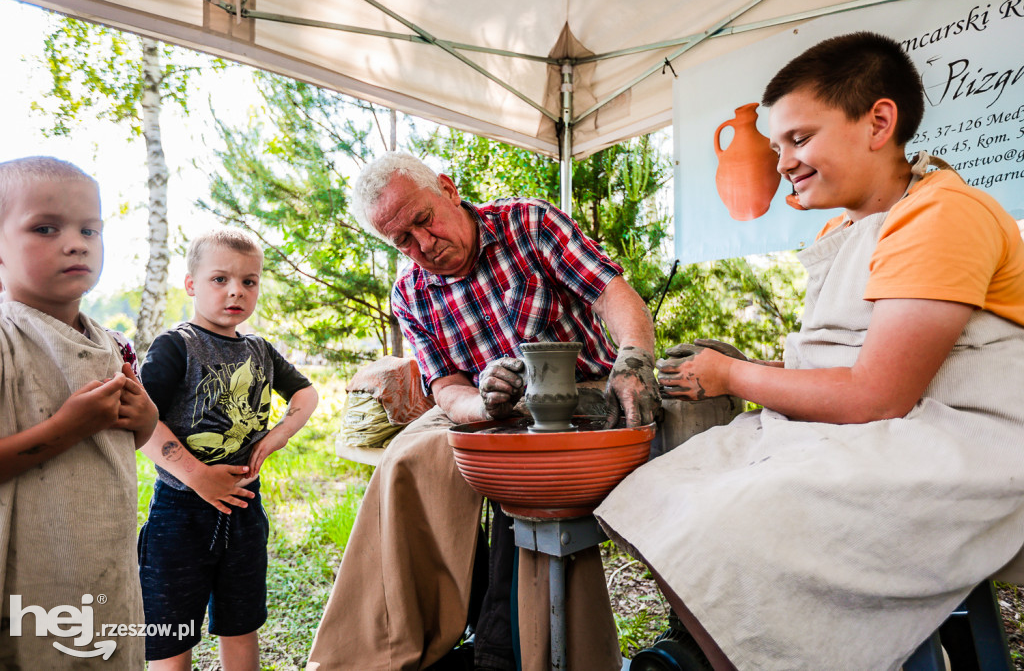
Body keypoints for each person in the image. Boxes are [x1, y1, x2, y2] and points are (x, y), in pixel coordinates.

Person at [596, 31, 1024, 670]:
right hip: (886, 419)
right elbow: (843, 362)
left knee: (734, 520)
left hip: (969, 435)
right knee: (654, 492)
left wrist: (734, 375)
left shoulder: (943, 215)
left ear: (879, 122)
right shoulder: (841, 229)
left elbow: (878, 392)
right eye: (776, 147)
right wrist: (747, 374)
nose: (783, 162)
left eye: (799, 139)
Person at [308, 152, 660, 671]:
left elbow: (612, 294)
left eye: (424, 220)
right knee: (405, 462)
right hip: (488, 403)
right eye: (402, 240)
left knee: (525, 486)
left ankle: (506, 648)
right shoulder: (409, 292)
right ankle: (382, 650)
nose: (423, 246)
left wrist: (633, 358)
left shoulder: (530, 223)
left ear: (448, 190)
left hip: (580, 392)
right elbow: (445, 387)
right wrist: (481, 403)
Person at [0, 156, 157, 668]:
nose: (76, 242)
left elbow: (125, 442)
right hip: (30, 574)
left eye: (90, 229)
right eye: (45, 228)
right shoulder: (7, 339)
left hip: (104, 564)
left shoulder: (112, 345)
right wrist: (67, 428)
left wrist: (145, 417)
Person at [138, 227, 319, 670]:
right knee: (170, 633)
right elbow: (141, 422)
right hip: (180, 514)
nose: (235, 291)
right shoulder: (176, 346)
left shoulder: (260, 350)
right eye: (220, 279)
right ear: (191, 285)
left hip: (244, 510)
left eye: (249, 281)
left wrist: (279, 434)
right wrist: (199, 477)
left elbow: (306, 394)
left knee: (241, 624)